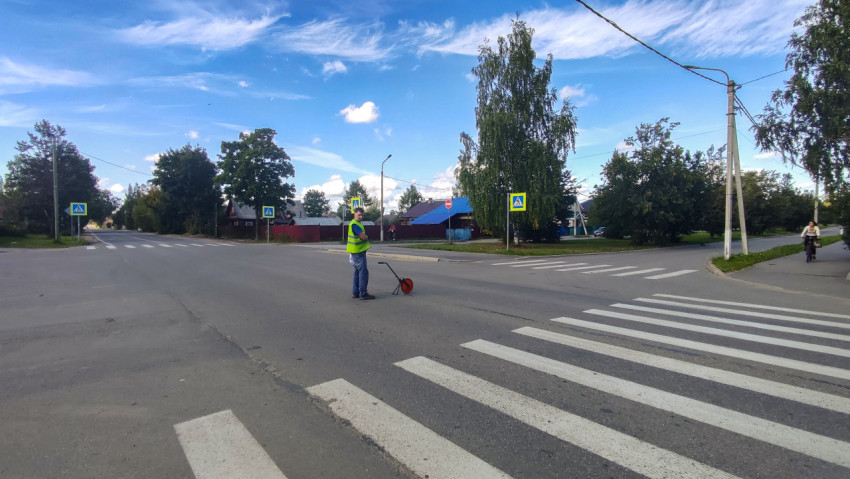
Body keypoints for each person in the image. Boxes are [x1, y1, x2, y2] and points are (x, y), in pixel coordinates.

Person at [347, 207, 375, 300]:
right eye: (359, 215)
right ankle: (363, 294)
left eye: (362, 215)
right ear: (354, 214)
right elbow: (362, 237)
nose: (361, 217)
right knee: (363, 273)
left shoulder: (355, 223)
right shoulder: (355, 224)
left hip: (356, 251)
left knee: (357, 272)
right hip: (358, 252)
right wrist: (366, 237)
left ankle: (355, 292)